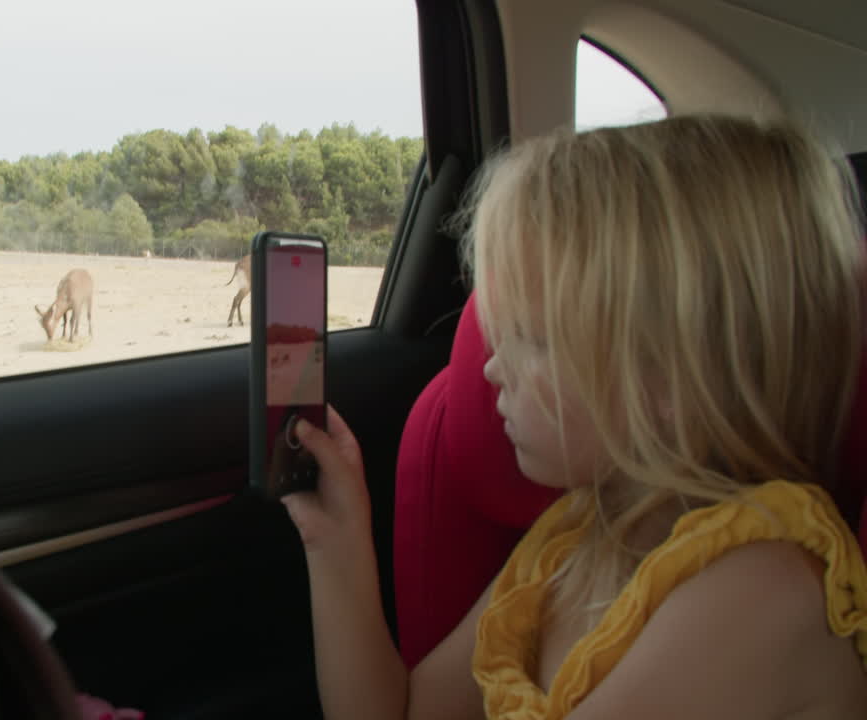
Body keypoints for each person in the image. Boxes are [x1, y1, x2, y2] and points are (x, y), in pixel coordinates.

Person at [281, 114, 867, 719]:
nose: (491, 369)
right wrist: (336, 540)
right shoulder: (574, 541)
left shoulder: (754, 596)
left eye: (530, 337)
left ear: (668, 378)